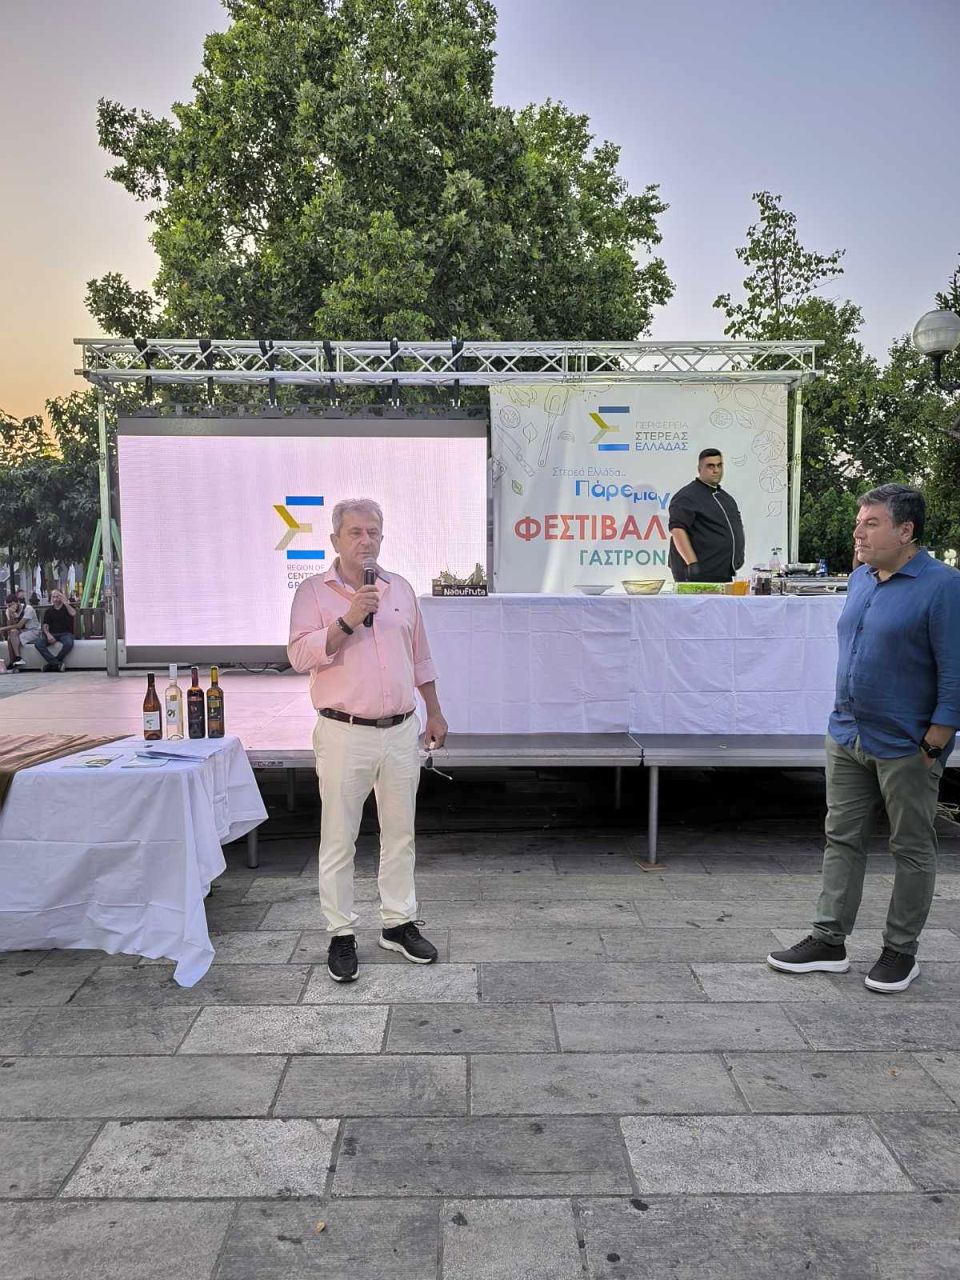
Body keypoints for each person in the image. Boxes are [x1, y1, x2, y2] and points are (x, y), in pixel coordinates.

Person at [768, 484, 960, 993]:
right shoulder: (861, 578)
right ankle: (828, 941)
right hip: (848, 735)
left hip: (908, 745)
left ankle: (900, 951)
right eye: (859, 522)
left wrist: (935, 741)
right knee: (842, 838)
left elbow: (955, 670)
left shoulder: (944, 586)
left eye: (871, 523)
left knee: (911, 846)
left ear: (906, 531)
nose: (858, 532)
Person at [287, 498, 448, 984]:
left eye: (373, 532)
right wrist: (348, 619)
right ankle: (341, 932)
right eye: (355, 532)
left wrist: (434, 710)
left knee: (400, 834)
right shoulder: (313, 593)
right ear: (335, 540)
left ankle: (397, 922)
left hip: (400, 730)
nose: (366, 541)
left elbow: (420, 656)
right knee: (340, 837)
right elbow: (299, 655)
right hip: (344, 732)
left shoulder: (400, 589)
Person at [667, 448, 745, 584]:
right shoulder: (687, 496)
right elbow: (677, 530)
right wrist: (692, 564)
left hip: (723, 573)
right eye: (710, 466)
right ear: (699, 469)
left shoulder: (727, 498)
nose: (716, 470)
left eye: (719, 465)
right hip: (696, 575)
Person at [35, 588, 77, 672]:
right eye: (53, 597)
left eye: (58, 596)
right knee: (38, 643)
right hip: (52, 634)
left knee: (69, 643)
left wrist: (66, 603)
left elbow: (73, 613)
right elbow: (45, 625)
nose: (55, 599)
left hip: (66, 634)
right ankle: (57, 664)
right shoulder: (49, 611)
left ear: (62, 596)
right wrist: (48, 635)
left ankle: (51, 664)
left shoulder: (67, 607)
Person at [0, 592, 41, 670]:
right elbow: (10, 626)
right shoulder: (9, 610)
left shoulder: (28, 609)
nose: (9, 607)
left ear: (18, 602)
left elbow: (19, 625)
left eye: (11, 605)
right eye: (8, 606)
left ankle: (15, 660)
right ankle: (15, 660)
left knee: (13, 638)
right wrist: (11, 615)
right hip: (22, 631)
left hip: (33, 631)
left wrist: (2, 629)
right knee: (11, 635)